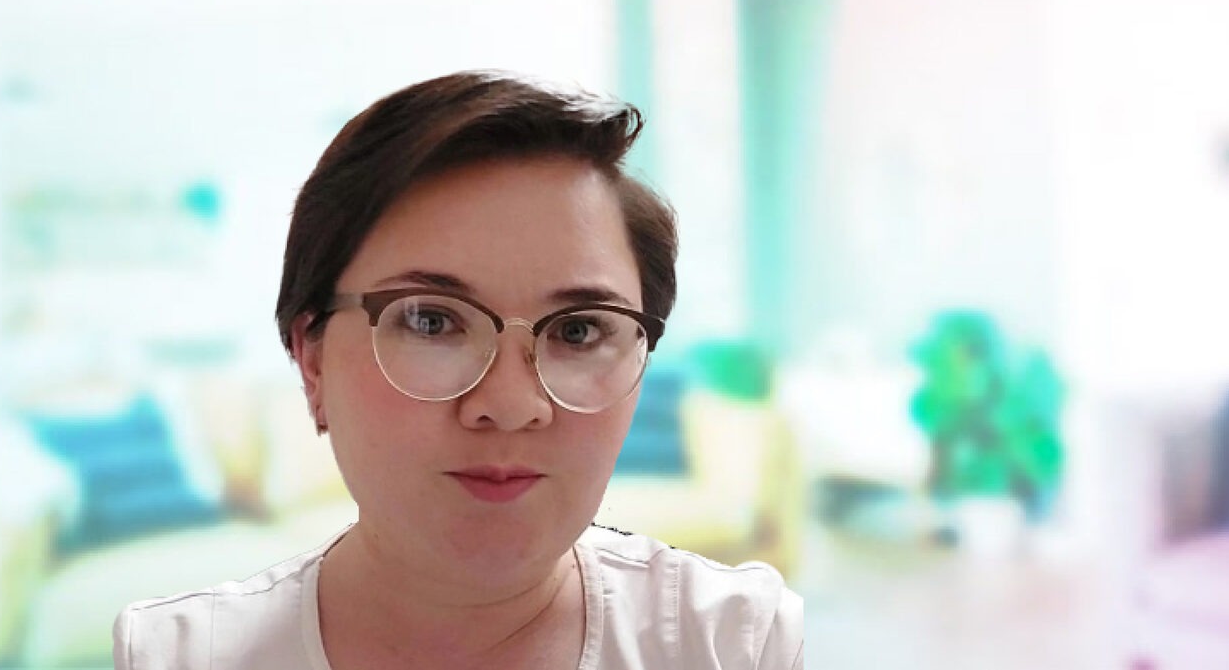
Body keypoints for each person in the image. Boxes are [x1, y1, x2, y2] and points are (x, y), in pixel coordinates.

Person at [114, 70, 803, 669]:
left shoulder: (732, 641)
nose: (511, 403)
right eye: (431, 321)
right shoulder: (178, 655)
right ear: (313, 361)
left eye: (578, 330)